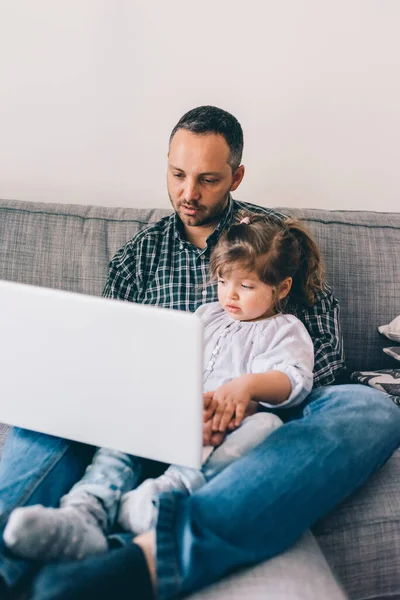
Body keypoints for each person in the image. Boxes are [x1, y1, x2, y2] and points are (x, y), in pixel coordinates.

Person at [0, 106, 399, 600]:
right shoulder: (138, 258)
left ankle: (148, 554)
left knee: (370, 409)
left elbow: (322, 361)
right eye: (177, 175)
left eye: (208, 180)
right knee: (50, 399)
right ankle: (12, 558)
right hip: (146, 414)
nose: (189, 194)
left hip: (256, 418)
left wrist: (245, 398)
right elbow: (106, 356)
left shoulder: (273, 243)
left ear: (236, 175)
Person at [3, 212, 317, 560]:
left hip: (226, 428)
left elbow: (294, 380)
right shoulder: (207, 315)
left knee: (269, 426)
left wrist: (246, 386)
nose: (230, 294)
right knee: (119, 439)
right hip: (173, 418)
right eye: (223, 280)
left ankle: (155, 500)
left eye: (246, 286)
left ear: (282, 287)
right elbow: (170, 362)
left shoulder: (285, 330)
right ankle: (85, 512)